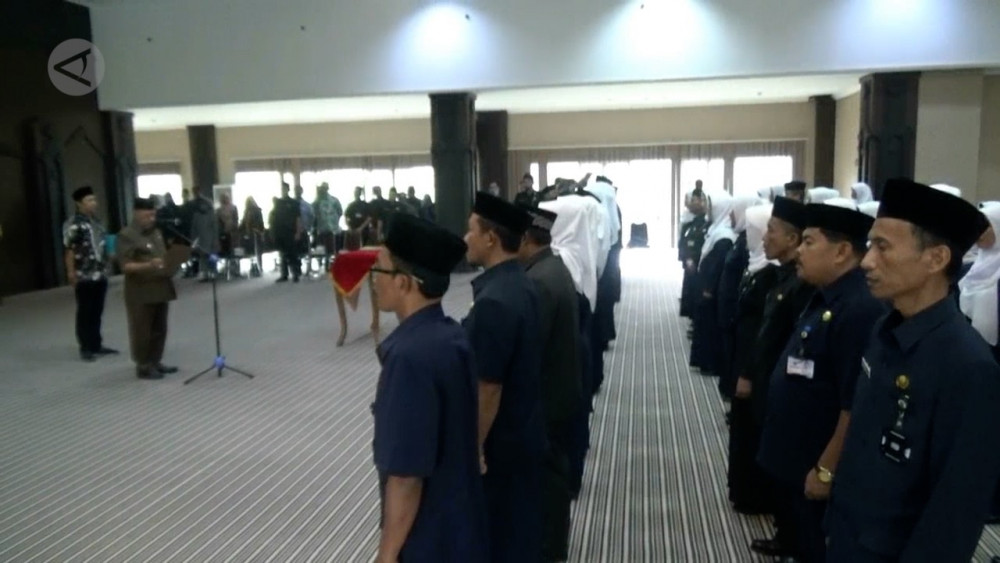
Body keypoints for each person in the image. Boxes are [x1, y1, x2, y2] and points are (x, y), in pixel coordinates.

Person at [828, 179, 1000, 563]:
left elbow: (954, 511)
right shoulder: (884, 330)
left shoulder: (967, 365)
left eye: (883, 247)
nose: (867, 261)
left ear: (936, 259)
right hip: (849, 535)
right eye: (870, 245)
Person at [756, 202, 885, 563]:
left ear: (841, 252)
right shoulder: (827, 294)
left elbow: (852, 403)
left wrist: (826, 470)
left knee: (816, 546)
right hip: (799, 454)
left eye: (809, 242)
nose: (799, 250)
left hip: (818, 459)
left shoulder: (858, 308)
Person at [369, 213, 487, 563]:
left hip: (429, 537)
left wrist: (387, 554)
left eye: (378, 269)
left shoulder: (409, 358)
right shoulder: (451, 336)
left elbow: (406, 476)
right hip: (460, 524)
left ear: (404, 282)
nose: (372, 280)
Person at [462, 192, 544, 563]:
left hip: (502, 444)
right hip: (524, 429)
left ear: (491, 238)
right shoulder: (521, 283)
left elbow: (488, 388)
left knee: (500, 538)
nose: (466, 238)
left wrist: (474, 448)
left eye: (471, 230)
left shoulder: (494, 301)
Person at [743, 196, 814, 558]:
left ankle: (791, 538)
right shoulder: (782, 276)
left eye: (771, 231)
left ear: (792, 238)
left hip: (787, 389)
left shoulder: (802, 284)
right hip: (770, 383)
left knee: (789, 470)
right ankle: (785, 532)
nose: (764, 237)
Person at [518, 205, 582, 563]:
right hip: (561, 389)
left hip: (547, 396)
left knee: (548, 478)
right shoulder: (553, 267)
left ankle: (549, 547)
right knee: (554, 471)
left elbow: (531, 348)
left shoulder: (539, 280)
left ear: (526, 238)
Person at [726, 202, 780, 512]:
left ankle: (753, 495)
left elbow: (766, 330)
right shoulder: (757, 265)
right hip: (745, 356)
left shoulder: (772, 274)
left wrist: (747, 371)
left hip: (756, 364)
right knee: (742, 429)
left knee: (752, 430)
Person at [116, 198, 179, 380]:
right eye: (147, 215)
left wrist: (172, 261)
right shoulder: (127, 235)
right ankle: (143, 365)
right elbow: (125, 266)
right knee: (142, 329)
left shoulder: (156, 233)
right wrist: (149, 265)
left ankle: (155, 361)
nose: (151, 219)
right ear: (136, 213)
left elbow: (163, 256)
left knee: (160, 328)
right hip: (140, 290)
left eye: (153, 215)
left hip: (160, 287)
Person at [63, 186, 117, 362]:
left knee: (97, 310)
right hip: (84, 273)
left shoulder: (97, 222)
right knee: (85, 311)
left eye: (94, 200)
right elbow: (69, 249)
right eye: (89, 200)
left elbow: (105, 242)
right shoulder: (74, 224)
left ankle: (96, 344)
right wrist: (71, 272)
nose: (94, 203)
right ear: (79, 204)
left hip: (99, 272)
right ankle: (85, 347)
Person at [716, 195, 761, 397]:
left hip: (738, 313)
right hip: (730, 310)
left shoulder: (749, 247)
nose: (730, 216)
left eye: (734, 212)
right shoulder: (741, 240)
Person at [689, 190, 737, 375]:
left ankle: (711, 363)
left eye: (710, 206)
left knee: (711, 328)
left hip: (712, 291)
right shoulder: (715, 229)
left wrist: (708, 288)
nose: (707, 209)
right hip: (705, 286)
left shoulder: (725, 236)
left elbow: (718, 266)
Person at [679, 183, 709, 319]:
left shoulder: (703, 222)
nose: (692, 203)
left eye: (695, 200)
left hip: (697, 263)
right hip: (690, 260)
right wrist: (685, 257)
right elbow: (684, 240)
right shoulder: (690, 218)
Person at [274, 183, 303, 282]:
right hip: (280, 231)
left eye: (284, 189)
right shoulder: (278, 203)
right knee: (282, 254)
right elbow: (275, 218)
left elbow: (298, 218)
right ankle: (284, 274)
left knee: (293, 254)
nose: (283, 191)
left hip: (291, 231)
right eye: (282, 189)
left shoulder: (294, 203)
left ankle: (296, 274)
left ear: (288, 190)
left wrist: (298, 232)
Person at [189, 186, 218, 281]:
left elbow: (215, 227)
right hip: (202, 238)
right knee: (203, 257)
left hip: (211, 237)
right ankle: (204, 273)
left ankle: (213, 272)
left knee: (212, 255)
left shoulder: (211, 214)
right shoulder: (196, 215)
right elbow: (194, 229)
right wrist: (193, 240)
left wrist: (216, 239)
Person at [313, 183, 343, 272]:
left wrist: (335, 221)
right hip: (321, 229)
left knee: (332, 248)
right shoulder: (317, 201)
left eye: (325, 188)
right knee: (321, 248)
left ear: (327, 189)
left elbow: (340, 212)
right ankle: (324, 264)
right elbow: (313, 213)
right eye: (322, 188)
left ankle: (332, 265)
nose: (323, 190)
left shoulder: (334, 200)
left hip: (332, 229)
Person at [239, 196, 265, 277]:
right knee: (255, 251)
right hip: (251, 233)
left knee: (257, 251)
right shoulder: (249, 211)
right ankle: (256, 267)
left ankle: (258, 267)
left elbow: (260, 223)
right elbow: (244, 223)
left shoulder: (254, 211)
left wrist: (260, 232)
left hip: (254, 233)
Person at [216, 193, 240, 276]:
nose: (224, 200)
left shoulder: (233, 208)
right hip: (224, 234)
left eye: (226, 198)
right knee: (226, 251)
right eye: (223, 198)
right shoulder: (219, 210)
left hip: (233, 233)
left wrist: (234, 228)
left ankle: (236, 269)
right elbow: (218, 222)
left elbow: (236, 219)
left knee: (235, 251)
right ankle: (228, 268)